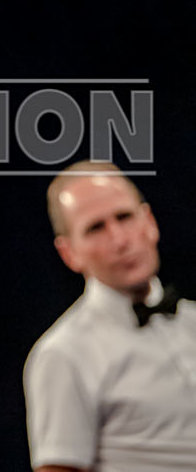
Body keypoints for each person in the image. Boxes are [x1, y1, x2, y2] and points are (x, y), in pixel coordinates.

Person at [23, 160, 196, 472]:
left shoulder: (193, 321)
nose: (119, 240)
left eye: (124, 217)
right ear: (69, 253)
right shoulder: (63, 354)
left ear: (149, 221)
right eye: (95, 228)